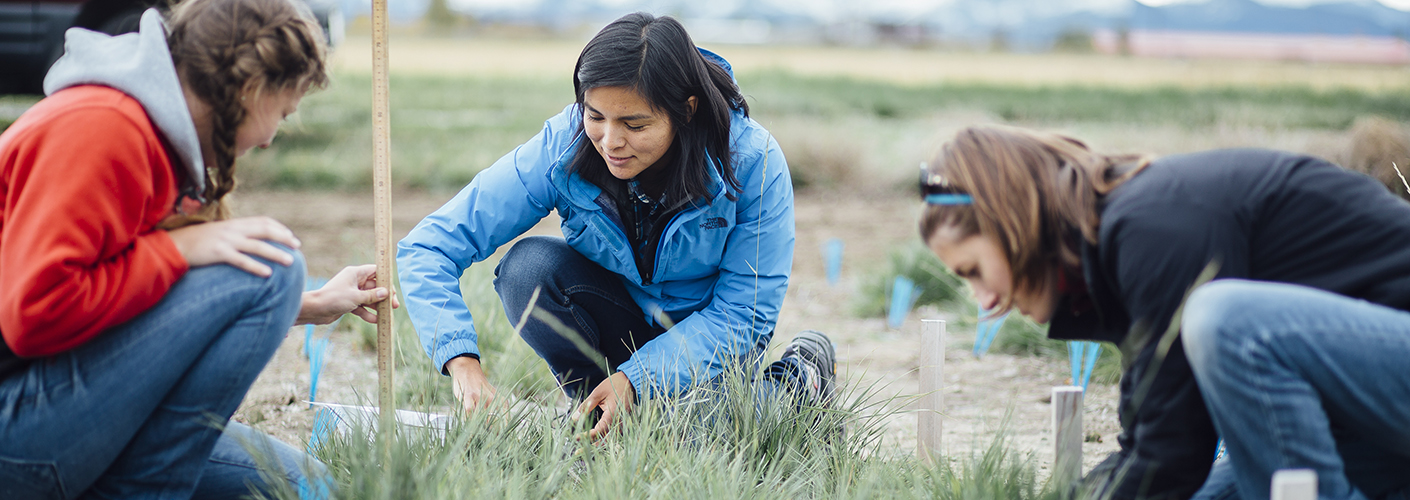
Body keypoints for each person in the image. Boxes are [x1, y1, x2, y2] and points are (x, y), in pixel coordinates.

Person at [0, 0, 396, 497]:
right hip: (17, 427)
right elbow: (34, 313)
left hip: (63, 396)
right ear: (251, 90)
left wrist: (310, 308)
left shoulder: (152, 133)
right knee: (275, 269)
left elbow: (133, 300)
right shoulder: (103, 127)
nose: (273, 138)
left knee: (306, 487)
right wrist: (180, 250)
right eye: (283, 112)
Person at [397, 12, 835, 439]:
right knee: (527, 269)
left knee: (691, 431)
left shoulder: (753, 161)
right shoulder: (562, 145)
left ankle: (798, 381)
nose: (609, 141)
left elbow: (745, 315)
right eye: (595, 116)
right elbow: (429, 247)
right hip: (621, 318)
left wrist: (638, 379)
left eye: (635, 124)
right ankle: (597, 411)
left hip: (711, 345)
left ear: (685, 110)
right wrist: (462, 361)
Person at [917, 125, 1410, 500]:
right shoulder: (1122, 250)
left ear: (1012, 223)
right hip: (1370, 414)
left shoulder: (1154, 226)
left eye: (974, 270)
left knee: (1227, 320)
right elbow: (1151, 441)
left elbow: (1171, 452)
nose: (983, 302)